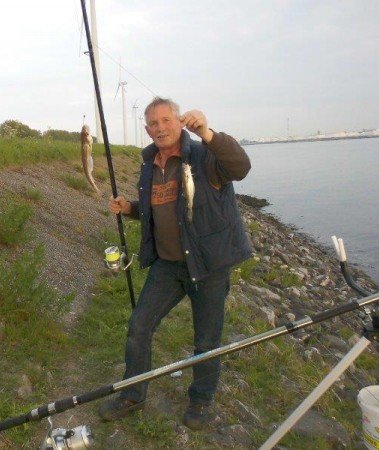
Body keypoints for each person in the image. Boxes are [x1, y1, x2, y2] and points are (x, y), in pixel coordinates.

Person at [98, 97, 252, 429]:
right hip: (167, 266)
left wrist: (208, 134)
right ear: (146, 128)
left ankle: (201, 400)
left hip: (208, 264)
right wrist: (129, 209)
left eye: (166, 120)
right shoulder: (149, 162)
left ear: (179, 121)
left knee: (206, 340)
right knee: (139, 327)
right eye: (153, 123)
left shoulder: (204, 155)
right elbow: (160, 208)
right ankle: (132, 394)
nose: (160, 128)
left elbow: (241, 167)